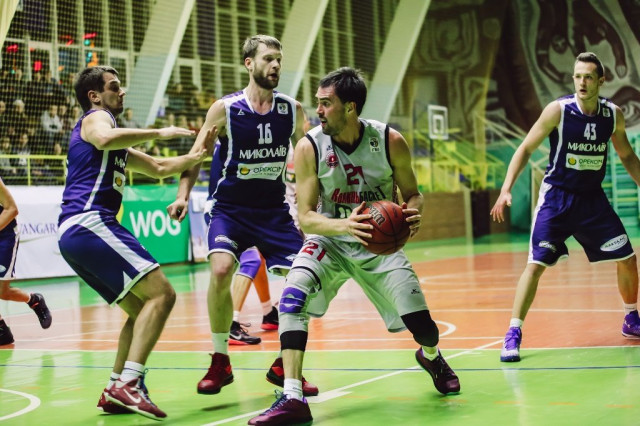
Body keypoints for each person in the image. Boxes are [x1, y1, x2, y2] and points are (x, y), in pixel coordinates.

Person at [249, 67, 461, 425]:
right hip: (330, 240)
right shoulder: (309, 146)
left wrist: (412, 213)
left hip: (379, 247)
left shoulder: (390, 140)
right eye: (317, 103)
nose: (318, 110)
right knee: (292, 297)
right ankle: (292, 396)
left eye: (326, 103)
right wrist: (345, 225)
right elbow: (306, 218)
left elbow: (414, 194)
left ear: (350, 107)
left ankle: (430, 356)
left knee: (424, 326)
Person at [57, 65, 211, 420]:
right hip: (90, 222)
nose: (121, 92)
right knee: (164, 295)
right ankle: (129, 383)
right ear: (95, 96)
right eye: (114, 87)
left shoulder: (117, 145)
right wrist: (159, 130)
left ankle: (115, 387)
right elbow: (104, 137)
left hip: (75, 235)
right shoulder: (96, 119)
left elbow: (158, 166)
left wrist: (199, 154)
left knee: (142, 308)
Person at [167, 34, 317, 398]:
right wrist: (182, 195)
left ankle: (285, 366)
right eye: (268, 58)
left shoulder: (292, 110)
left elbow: (314, 155)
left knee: (308, 280)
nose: (275, 65)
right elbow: (197, 156)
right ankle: (220, 361)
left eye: (278, 59)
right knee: (220, 270)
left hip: (274, 212)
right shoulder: (225, 109)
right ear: (249, 64)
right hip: (230, 210)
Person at [490, 52, 640, 363]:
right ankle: (513, 332)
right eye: (577, 76)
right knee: (535, 265)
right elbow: (525, 148)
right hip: (557, 199)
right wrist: (505, 189)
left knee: (627, 258)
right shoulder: (558, 110)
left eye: (588, 77)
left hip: (592, 201)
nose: (582, 82)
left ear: (601, 81)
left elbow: (626, 155)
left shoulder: (612, 115)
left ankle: (630, 317)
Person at [204, 141, 279, 345]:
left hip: (237, 209)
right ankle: (231, 324)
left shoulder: (232, 137)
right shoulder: (238, 139)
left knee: (259, 258)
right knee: (251, 260)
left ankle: (268, 313)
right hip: (223, 211)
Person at [0, 178, 52, 345]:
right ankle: (2, 331)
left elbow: (12, 209)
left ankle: (34, 300)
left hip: (5, 235)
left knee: (2, 291)